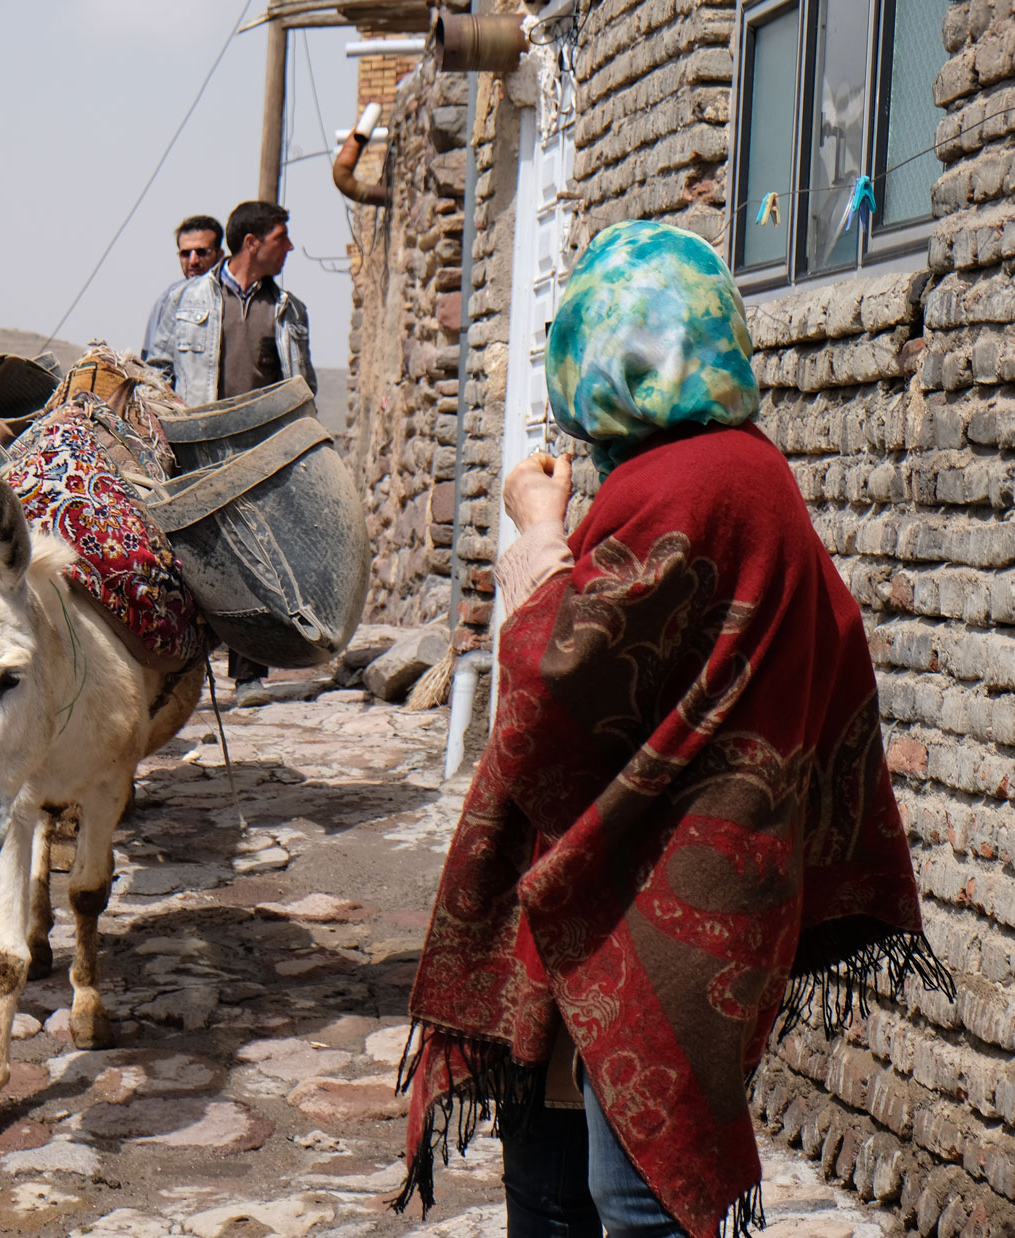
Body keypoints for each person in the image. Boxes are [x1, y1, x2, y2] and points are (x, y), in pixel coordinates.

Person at [394, 221, 950, 1238]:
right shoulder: (739, 472)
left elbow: (555, 688)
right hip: (676, 878)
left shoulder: (686, 486)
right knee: (561, 1163)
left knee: (635, 1198)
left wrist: (537, 537)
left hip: (655, 897)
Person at [144, 200, 318, 706]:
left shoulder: (289, 310)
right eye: (282, 238)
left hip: (259, 456)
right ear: (252, 243)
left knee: (258, 560)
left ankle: (248, 675)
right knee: (187, 562)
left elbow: (301, 389)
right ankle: (181, 674)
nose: (289, 248)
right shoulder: (183, 301)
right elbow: (157, 372)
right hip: (196, 451)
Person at [141, 215, 224, 360]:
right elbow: (151, 363)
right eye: (185, 254)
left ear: (219, 255)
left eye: (202, 252)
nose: (193, 261)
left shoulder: (233, 298)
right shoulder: (168, 299)